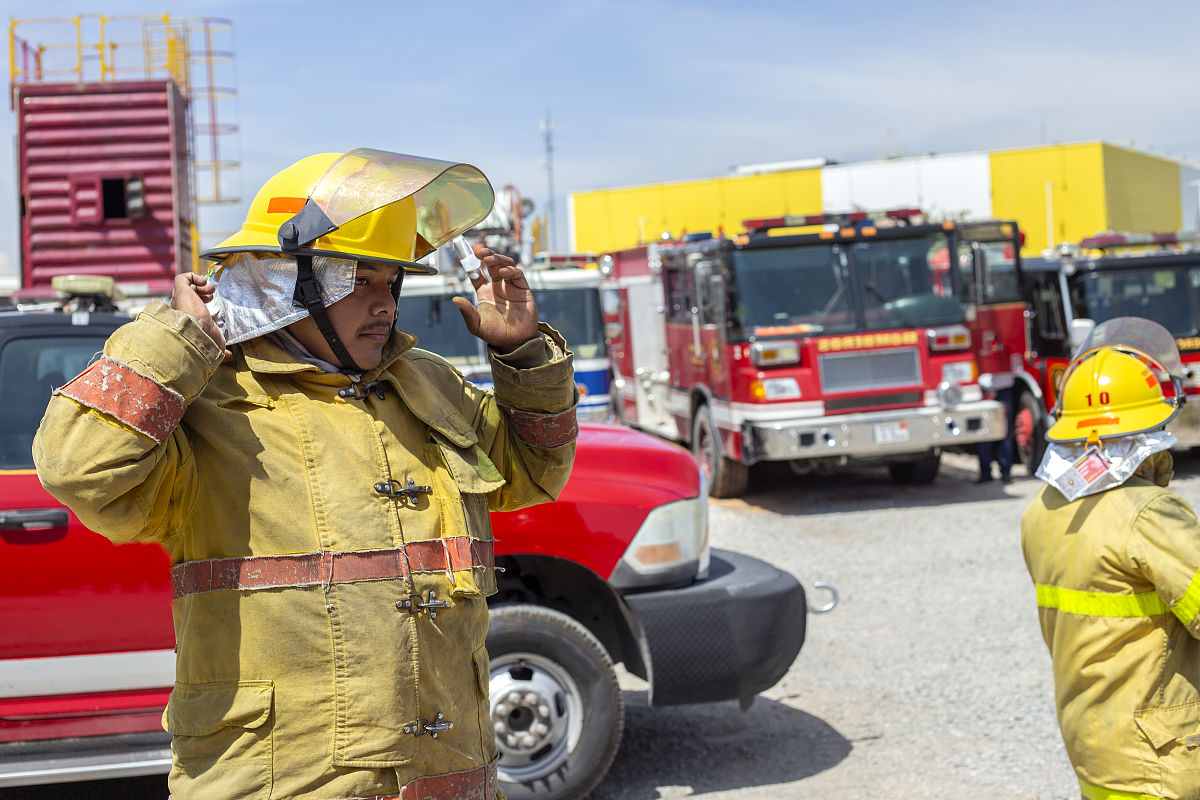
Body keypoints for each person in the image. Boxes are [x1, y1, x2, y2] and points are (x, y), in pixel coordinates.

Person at [33, 149, 578, 800]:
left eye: (391, 281)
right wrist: (176, 338)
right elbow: (78, 470)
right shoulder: (205, 405)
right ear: (279, 282)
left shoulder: (423, 383)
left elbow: (536, 475)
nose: (384, 304)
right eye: (358, 279)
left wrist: (521, 354)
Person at [1020, 317, 1200, 800]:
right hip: (1162, 755)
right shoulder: (1148, 513)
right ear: (1149, 430)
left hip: (1096, 743)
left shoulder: (1042, 510)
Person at [975, 372, 1014, 483]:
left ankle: (1006, 471)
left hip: (1003, 386)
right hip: (982, 390)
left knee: (1004, 431)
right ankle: (985, 472)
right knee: (982, 432)